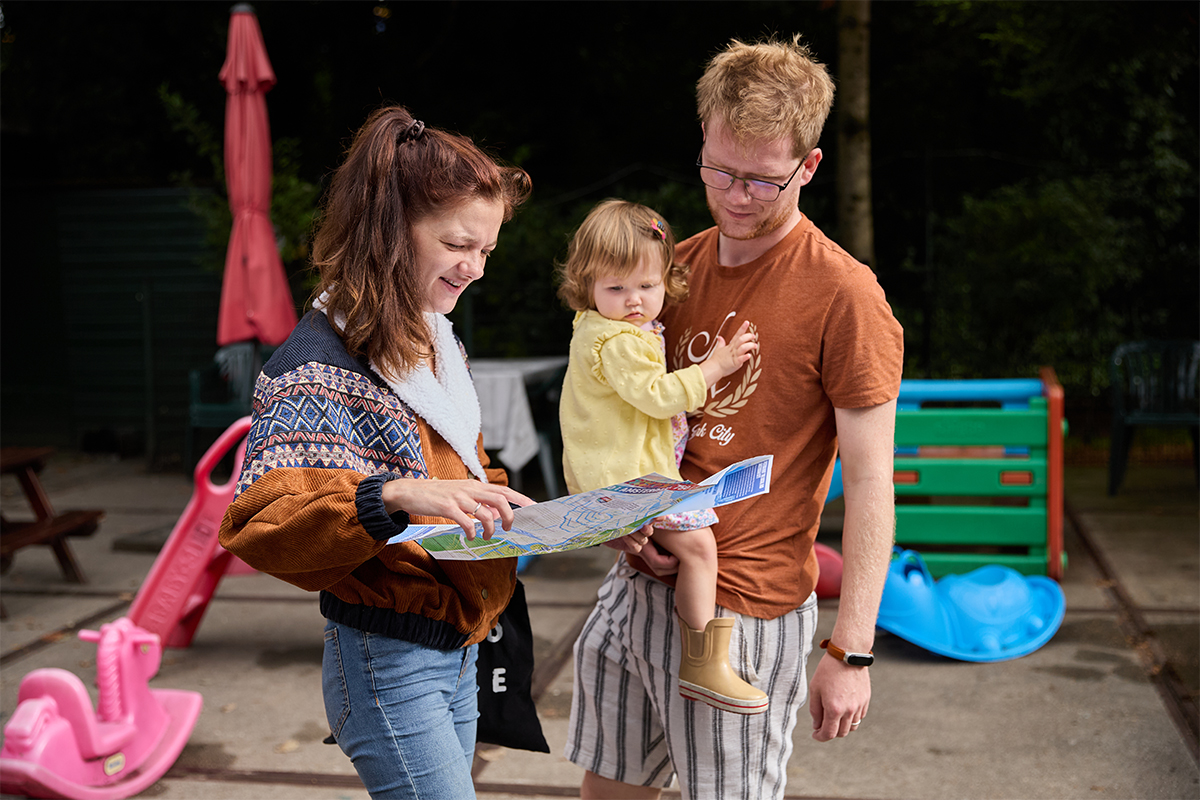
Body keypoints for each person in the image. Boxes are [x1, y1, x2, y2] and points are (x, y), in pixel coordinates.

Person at [564, 35, 905, 800]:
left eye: (761, 178)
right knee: (607, 789)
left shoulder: (846, 297)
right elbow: (619, 420)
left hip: (743, 613)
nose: (736, 195)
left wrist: (851, 651)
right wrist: (615, 518)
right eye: (718, 170)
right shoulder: (668, 273)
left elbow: (873, 485)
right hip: (633, 587)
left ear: (808, 167)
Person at [218, 105, 534, 800]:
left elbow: (459, 472)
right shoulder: (314, 362)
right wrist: (390, 495)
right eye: (458, 245)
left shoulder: (437, 341)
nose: (475, 269)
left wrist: (524, 514)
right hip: (388, 660)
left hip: (458, 647)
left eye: (487, 250)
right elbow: (262, 518)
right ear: (391, 229)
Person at [555, 198, 765, 715]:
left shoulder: (598, 325)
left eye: (647, 287)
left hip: (618, 473)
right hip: (629, 479)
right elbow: (658, 396)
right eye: (617, 288)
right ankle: (704, 663)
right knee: (698, 550)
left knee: (688, 548)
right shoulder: (618, 342)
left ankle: (701, 660)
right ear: (586, 286)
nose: (633, 301)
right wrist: (715, 366)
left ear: (665, 280)